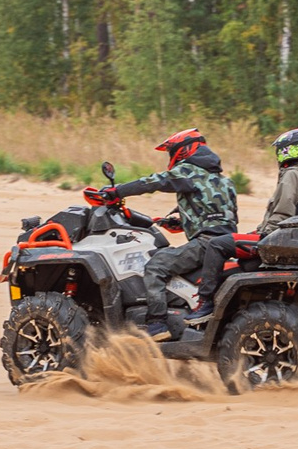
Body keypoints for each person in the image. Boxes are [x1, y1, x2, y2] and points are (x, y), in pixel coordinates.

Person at [88, 127, 240, 330]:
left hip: (205, 244)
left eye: (171, 152)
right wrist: (179, 223)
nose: (171, 157)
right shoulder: (224, 181)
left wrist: (117, 191)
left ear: (184, 150)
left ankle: (157, 324)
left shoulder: (189, 171)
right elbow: (220, 216)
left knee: (155, 266)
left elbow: (153, 182)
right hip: (226, 242)